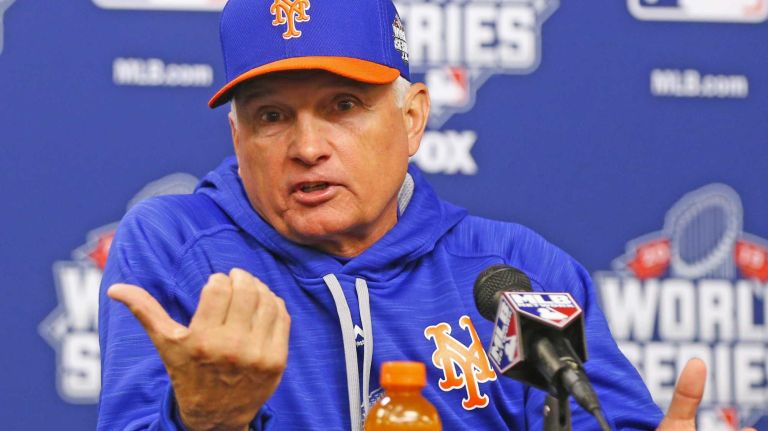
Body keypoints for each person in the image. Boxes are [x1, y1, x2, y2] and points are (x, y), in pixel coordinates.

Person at [96, 0, 755, 430]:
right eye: (271, 116)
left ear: (412, 119)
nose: (306, 146)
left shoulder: (514, 274)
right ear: (237, 137)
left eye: (343, 105)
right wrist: (205, 421)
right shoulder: (178, 247)